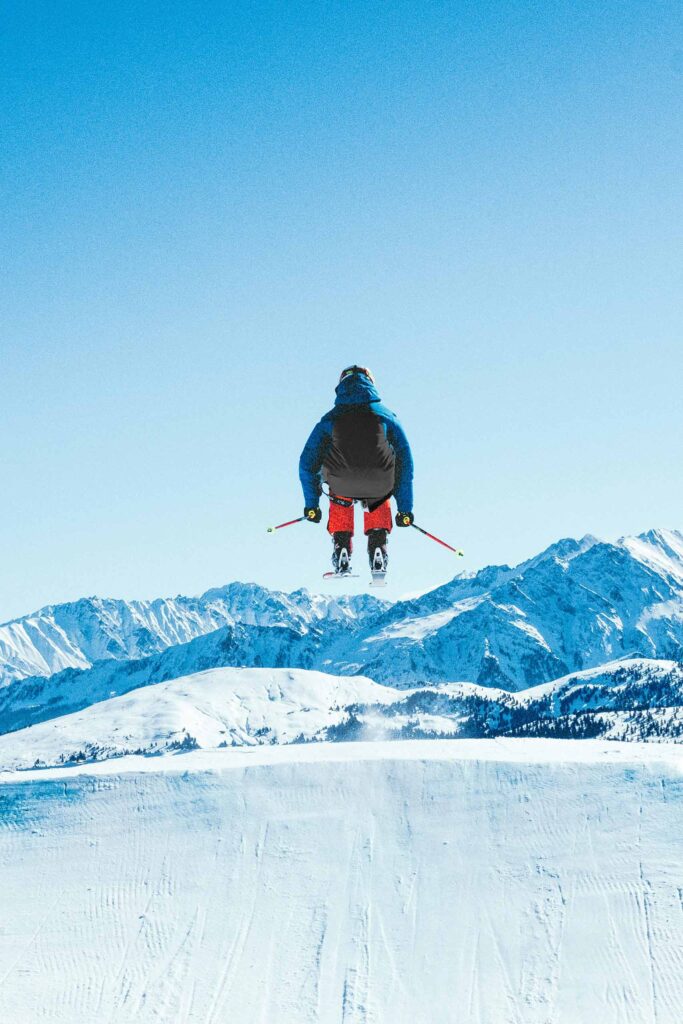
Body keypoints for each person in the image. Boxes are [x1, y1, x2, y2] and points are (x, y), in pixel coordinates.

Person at [299, 365, 414, 573]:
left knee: (339, 484)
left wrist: (312, 505)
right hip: (379, 483)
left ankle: (341, 546)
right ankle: (378, 544)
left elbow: (307, 463)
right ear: (371, 384)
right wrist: (405, 508)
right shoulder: (387, 417)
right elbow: (405, 464)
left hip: (341, 483)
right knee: (379, 484)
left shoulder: (329, 420)